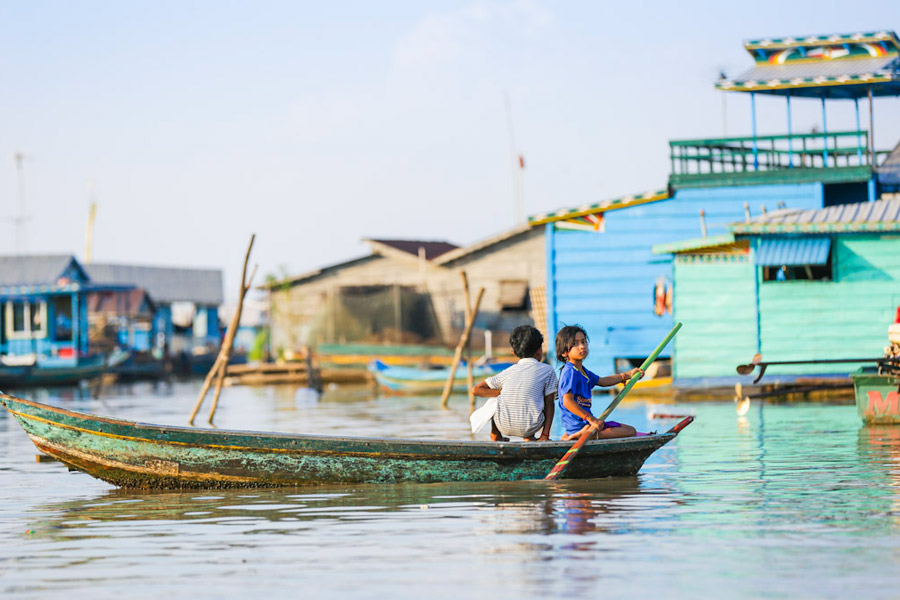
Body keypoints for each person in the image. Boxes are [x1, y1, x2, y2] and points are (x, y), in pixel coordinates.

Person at [555, 324, 644, 441]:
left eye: (584, 342)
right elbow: (567, 402)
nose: (582, 346)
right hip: (580, 426)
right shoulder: (570, 372)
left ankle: (577, 434)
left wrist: (626, 375)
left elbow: (603, 381)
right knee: (630, 432)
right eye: (575, 344)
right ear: (564, 353)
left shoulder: (582, 371)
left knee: (629, 429)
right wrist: (591, 419)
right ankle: (581, 434)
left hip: (587, 424)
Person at [472, 325, 558, 442]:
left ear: (513, 352)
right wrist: (545, 435)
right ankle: (531, 437)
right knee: (541, 397)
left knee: (497, 400)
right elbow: (550, 404)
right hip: (531, 426)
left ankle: (495, 435)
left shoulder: (508, 371)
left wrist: (502, 393)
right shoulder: (548, 370)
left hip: (503, 425)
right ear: (539, 351)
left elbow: (476, 389)